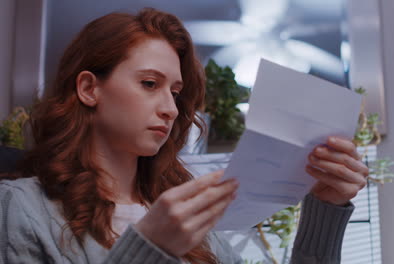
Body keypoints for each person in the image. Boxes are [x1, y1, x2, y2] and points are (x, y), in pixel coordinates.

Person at [0, 8, 369, 264]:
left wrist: (326, 207)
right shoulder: (21, 208)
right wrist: (150, 247)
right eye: (149, 84)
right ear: (88, 89)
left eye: (175, 92)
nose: (171, 109)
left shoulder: (187, 216)